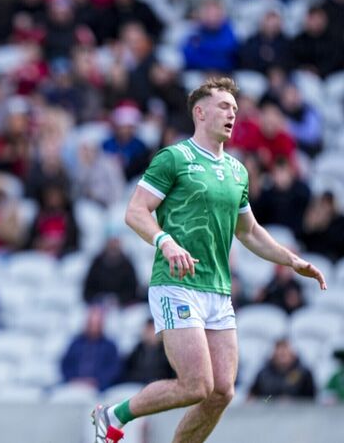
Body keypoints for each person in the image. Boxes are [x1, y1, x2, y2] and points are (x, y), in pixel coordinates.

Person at [90, 77, 327, 443]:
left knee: (222, 392)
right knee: (196, 385)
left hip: (217, 289)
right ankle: (113, 415)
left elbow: (249, 232)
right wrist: (165, 241)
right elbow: (135, 211)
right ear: (200, 113)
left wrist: (290, 260)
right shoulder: (174, 158)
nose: (232, 114)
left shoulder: (237, 170)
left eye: (235, 109)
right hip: (177, 284)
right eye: (224, 107)